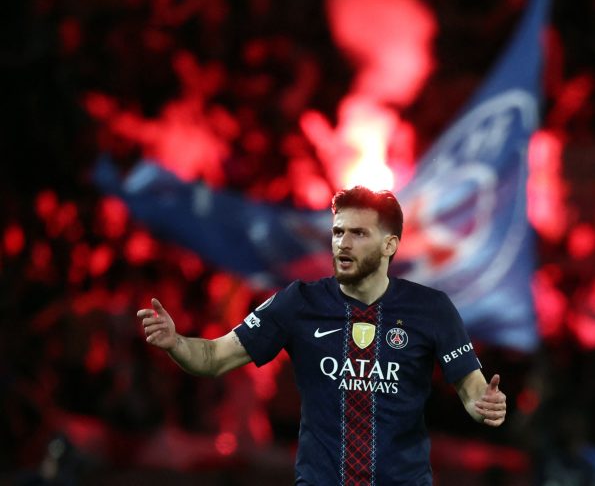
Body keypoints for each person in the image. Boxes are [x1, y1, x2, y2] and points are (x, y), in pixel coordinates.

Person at [137, 185, 507, 485]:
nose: (343, 243)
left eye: (358, 233)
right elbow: (214, 358)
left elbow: (472, 390)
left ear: (389, 245)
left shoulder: (431, 309)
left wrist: (485, 405)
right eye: (338, 232)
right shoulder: (298, 302)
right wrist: (176, 343)